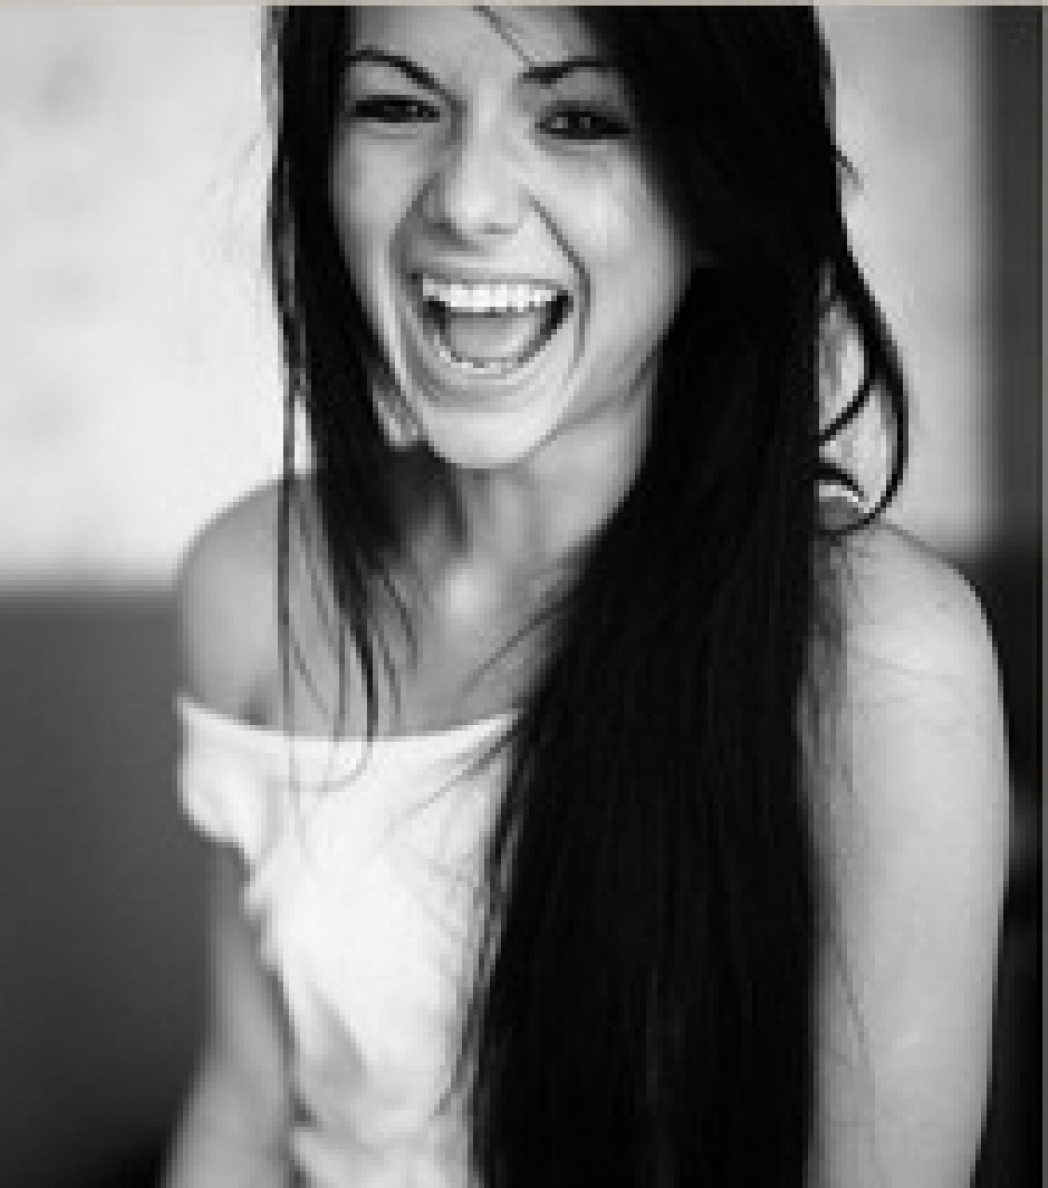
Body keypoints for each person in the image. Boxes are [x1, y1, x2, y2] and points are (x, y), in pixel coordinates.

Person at [164, 8, 1010, 1186]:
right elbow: (247, 1106)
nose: (467, 201)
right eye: (398, 106)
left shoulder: (885, 651)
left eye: (577, 120)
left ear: (717, 192)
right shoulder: (248, 578)